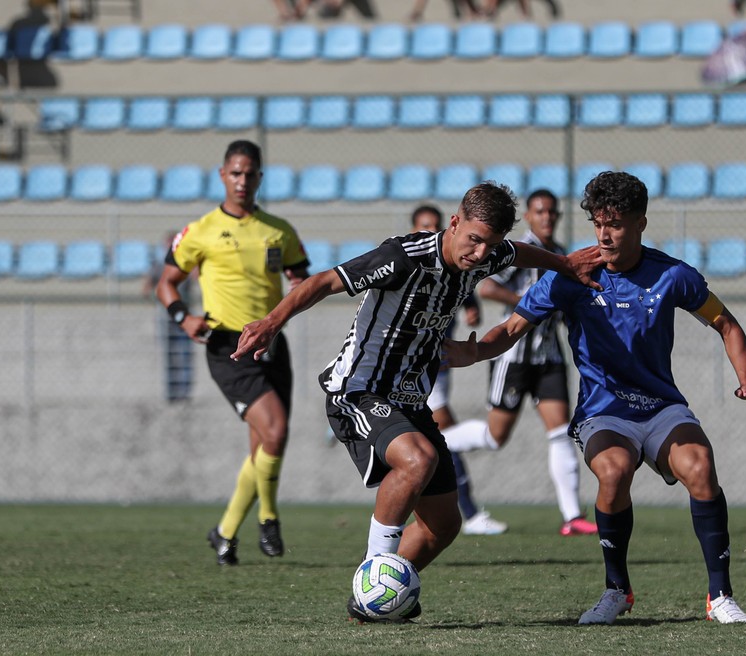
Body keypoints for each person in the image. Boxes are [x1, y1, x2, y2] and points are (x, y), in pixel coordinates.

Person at [230, 181, 601, 622]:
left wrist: (562, 263)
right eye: (474, 240)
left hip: (410, 401)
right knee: (417, 460)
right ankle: (374, 581)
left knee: (443, 525)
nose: (480, 254)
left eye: (490, 244)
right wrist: (273, 321)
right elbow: (327, 280)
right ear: (455, 222)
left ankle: (369, 602)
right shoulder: (402, 257)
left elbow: (519, 252)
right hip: (359, 390)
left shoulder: (488, 254)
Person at [445, 171, 746, 625]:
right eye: (598, 222)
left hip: (661, 406)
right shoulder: (573, 275)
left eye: (615, 223)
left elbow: (726, 323)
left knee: (700, 468)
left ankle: (720, 597)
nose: (604, 233)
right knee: (614, 472)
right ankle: (616, 591)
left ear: (640, 223)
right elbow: (513, 328)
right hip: (604, 412)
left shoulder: (673, 275)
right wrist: (471, 352)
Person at [156, 140, 311, 566]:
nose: (243, 180)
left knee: (264, 443)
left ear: (260, 178)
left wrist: (298, 287)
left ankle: (224, 533)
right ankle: (268, 517)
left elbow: (300, 274)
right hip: (229, 346)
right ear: (222, 175)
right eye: (235, 173)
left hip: (272, 343)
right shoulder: (201, 229)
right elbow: (166, 283)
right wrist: (182, 318)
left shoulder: (278, 229)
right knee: (276, 431)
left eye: (250, 173)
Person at [443, 189, 596, 537]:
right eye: (540, 212)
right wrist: (531, 304)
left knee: (561, 433)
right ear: (528, 216)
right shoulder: (514, 251)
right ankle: (437, 443)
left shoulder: (559, 254)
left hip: (549, 356)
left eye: (552, 212)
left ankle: (572, 517)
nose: (547, 217)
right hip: (513, 357)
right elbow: (488, 289)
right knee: (495, 437)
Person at [410, 204, 507, 536]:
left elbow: (466, 288)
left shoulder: (453, 264)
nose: (430, 232)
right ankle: (489, 439)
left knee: (438, 437)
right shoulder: (404, 264)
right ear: (412, 230)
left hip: (434, 368)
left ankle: (468, 511)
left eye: (434, 226)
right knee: (433, 440)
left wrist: (472, 309)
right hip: (400, 371)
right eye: (424, 226)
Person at [145, 231, 196, 403]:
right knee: (169, 355)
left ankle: (185, 392)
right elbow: (146, 288)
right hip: (166, 318)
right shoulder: (158, 267)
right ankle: (172, 392)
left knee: (185, 353)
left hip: (184, 317)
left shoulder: (186, 264)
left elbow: (198, 277)